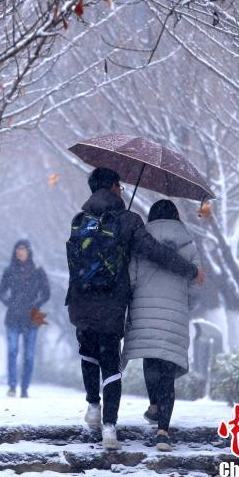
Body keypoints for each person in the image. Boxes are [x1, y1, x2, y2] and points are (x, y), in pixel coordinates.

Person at [66, 167, 204, 450]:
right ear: (115, 187)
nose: (122, 190)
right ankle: (109, 430)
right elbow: (155, 252)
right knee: (110, 363)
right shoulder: (129, 220)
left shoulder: (79, 220)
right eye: (120, 185)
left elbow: (74, 261)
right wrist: (190, 270)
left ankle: (93, 404)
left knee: (88, 354)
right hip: (111, 303)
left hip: (81, 300)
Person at [122, 199, 199, 452]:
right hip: (175, 313)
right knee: (167, 371)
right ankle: (163, 431)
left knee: (151, 359)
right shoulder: (188, 243)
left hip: (144, 311)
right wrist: (184, 303)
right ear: (176, 216)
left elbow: (131, 279)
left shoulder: (141, 241)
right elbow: (194, 285)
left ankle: (154, 403)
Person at [0, 239, 50, 398]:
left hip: (33, 316)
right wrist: (9, 303)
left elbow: (46, 293)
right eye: (18, 249)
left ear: (29, 252)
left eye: (23, 249)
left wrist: (37, 305)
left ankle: (25, 388)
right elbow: (0, 291)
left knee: (29, 355)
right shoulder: (9, 271)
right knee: (12, 351)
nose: (20, 252)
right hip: (13, 316)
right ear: (15, 252)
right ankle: (12, 386)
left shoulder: (38, 271)